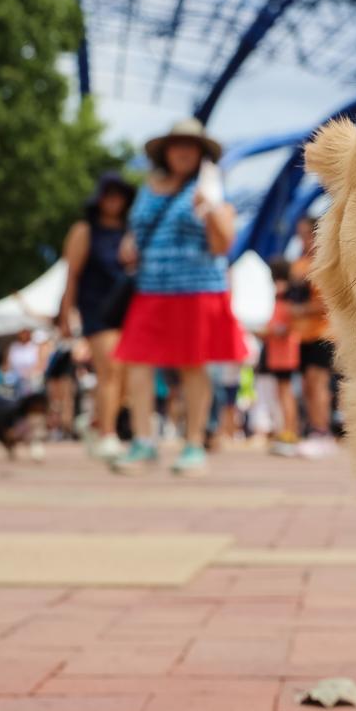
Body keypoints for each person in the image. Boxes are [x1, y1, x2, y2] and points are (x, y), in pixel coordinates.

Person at [112, 118, 246, 475]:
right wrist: (129, 244)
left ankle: (193, 444)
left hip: (197, 288)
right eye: (177, 144)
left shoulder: (210, 189)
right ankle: (143, 441)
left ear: (201, 152)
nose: (183, 151)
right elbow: (136, 231)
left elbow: (223, 243)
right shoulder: (148, 188)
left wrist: (210, 208)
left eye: (191, 145)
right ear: (165, 152)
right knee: (137, 364)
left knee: (193, 365)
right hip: (150, 288)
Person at [58, 171, 136, 459]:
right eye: (109, 194)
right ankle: (108, 434)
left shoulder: (132, 230)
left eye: (120, 195)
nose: (115, 200)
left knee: (128, 376)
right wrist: (65, 314)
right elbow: (71, 275)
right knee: (110, 369)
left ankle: (93, 422)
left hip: (128, 308)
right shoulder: (84, 230)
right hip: (96, 309)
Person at [289, 217, 337, 458]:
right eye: (301, 234)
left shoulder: (326, 263)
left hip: (323, 333)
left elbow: (330, 302)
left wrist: (302, 309)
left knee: (318, 383)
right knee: (307, 385)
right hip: (303, 334)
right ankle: (314, 430)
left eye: (308, 233)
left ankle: (322, 431)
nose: (304, 238)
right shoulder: (298, 265)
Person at [262, 257, 301, 455]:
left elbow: (285, 320)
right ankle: (287, 429)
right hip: (282, 347)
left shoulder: (282, 291)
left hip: (283, 346)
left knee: (285, 390)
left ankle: (289, 430)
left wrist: (268, 330)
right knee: (284, 390)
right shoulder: (289, 290)